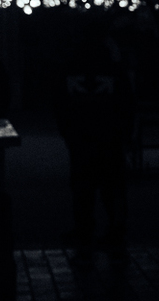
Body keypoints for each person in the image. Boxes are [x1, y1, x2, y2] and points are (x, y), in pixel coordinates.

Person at [54, 27, 134, 248]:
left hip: (81, 137)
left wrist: (68, 133)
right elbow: (127, 104)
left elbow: (60, 103)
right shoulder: (114, 70)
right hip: (109, 137)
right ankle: (115, 229)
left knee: (82, 186)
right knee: (111, 186)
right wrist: (124, 135)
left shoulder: (70, 68)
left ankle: (84, 228)